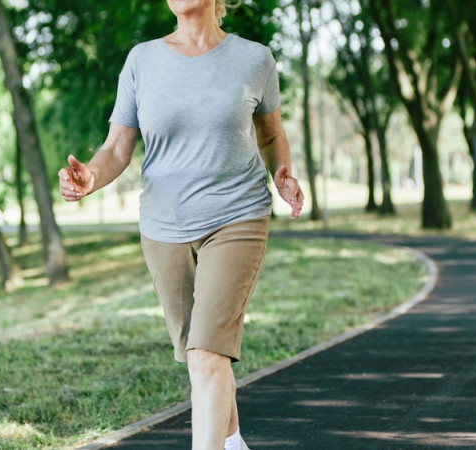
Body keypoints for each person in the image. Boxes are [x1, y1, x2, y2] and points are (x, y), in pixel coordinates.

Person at [58, 0, 303, 448]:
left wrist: (281, 171)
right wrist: (89, 177)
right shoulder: (142, 60)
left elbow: (270, 133)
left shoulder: (254, 58)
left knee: (208, 354)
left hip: (237, 215)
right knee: (199, 358)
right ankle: (233, 444)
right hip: (163, 227)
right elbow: (116, 149)